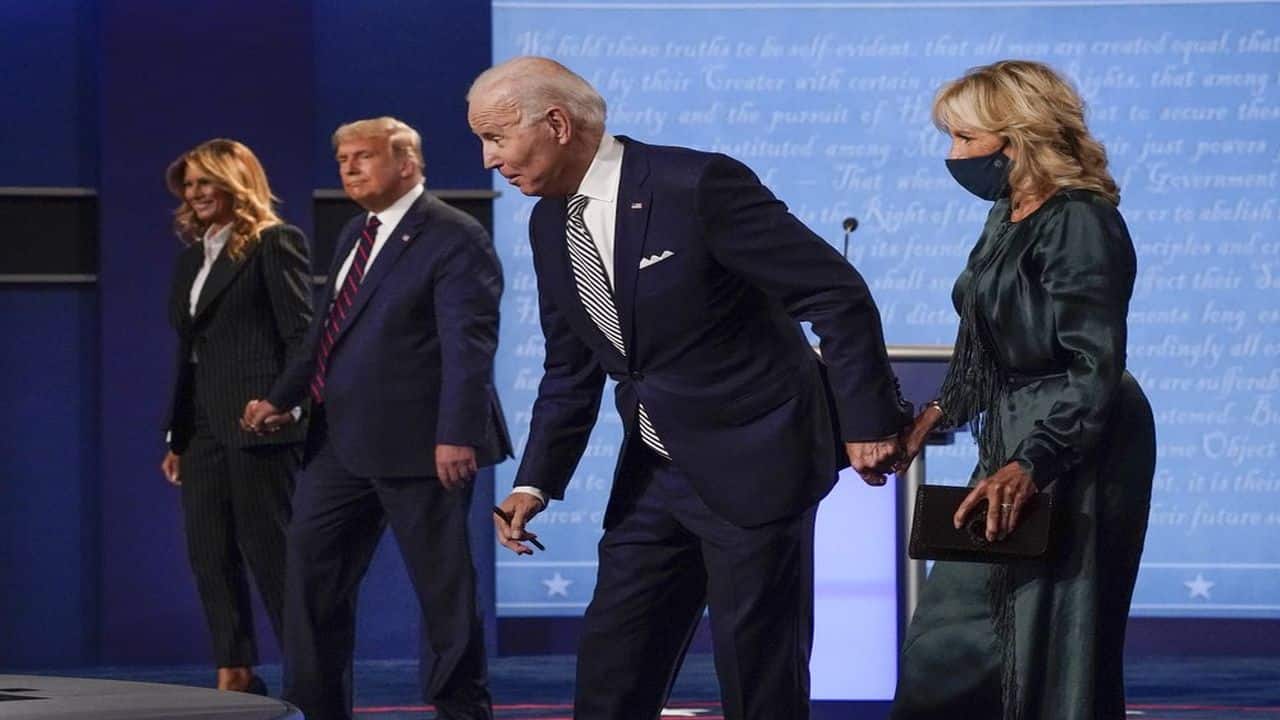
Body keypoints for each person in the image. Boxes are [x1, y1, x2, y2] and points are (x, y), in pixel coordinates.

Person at [469, 56, 910, 720]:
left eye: (495, 137)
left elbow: (836, 294)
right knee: (611, 676)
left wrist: (867, 423)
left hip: (757, 462)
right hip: (653, 473)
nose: (488, 159)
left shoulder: (697, 185)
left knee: (758, 685)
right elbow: (571, 368)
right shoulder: (548, 223)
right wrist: (535, 482)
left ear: (556, 124)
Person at [889, 60, 1157, 720]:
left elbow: (1095, 363)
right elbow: (986, 348)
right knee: (949, 643)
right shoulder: (1006, 214)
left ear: (1020, 137)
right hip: (1015, 432)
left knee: (1051, 634)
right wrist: (934, 415)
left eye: (965, 138)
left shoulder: (1080, 220)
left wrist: (1032, 464)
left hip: (1076, 438)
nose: (954, 156)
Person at [242, 117, 512, 720]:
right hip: (339, 444)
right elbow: (327, 330)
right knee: (310, 582)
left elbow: (469, 345)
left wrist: (457, 433)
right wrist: (283, 398)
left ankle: (461, 711)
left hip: (424, 446)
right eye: (342, 159)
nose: (349, 169)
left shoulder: (454, 234)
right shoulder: (356, 233)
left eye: (363, 156)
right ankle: (312, 708)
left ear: (407, 162)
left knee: (442, 592)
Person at [160, 138, 312, 694]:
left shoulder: (275, 242)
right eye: (189, 184)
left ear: (235, 182)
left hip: (259, 424)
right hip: (202, 429)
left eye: (206, 181)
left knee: (271, 554)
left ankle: (310, 674)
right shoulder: (192, 259)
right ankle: (235, 672)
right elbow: (190, 353)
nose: (195, 193)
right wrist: (178, 436)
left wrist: (286, 405)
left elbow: (301, 336)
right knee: (209, 553)